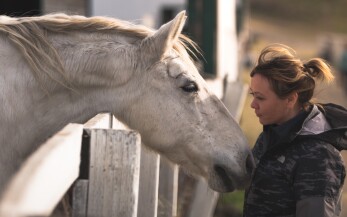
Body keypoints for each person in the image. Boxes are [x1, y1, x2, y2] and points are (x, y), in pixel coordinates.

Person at [243, 44, 347, 217]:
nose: (253, 105)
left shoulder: (318, 157)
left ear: (291, 99)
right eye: (253, 95)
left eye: (260, 97)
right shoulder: (272, 134)